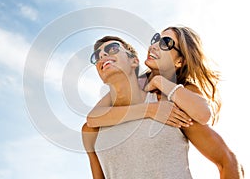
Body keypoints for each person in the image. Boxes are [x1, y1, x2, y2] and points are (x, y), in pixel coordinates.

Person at [82, 28, 244, 178]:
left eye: (166, 43)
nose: (102, 56)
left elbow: (226, 157)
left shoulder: (175, 104)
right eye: (97, 56)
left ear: (134, 61)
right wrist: (150, 110)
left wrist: (159, 82)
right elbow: (92, 118)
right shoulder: (95, 128)